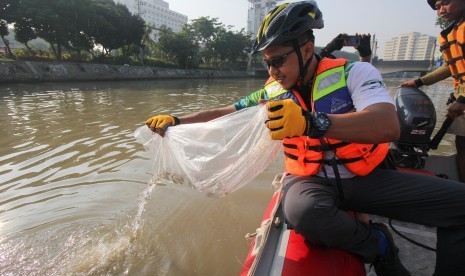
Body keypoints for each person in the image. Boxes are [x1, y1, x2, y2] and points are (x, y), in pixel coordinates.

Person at [146, 1, 465, 275]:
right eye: (267, 62)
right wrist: (177, 120)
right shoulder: (271, 92)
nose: (272, 71)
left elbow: (387, 125)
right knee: (301, 212)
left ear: (307, 49)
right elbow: (225, 111)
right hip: (311, 180)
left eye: (278, 60)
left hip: (367, 176)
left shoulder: (353, 73)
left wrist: (314, 122)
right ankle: (378, 245)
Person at [400, 0, 465, 183]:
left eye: (445, 3)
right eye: (437, 7)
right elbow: (449, 66)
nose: (441, 10)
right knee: (462, 144)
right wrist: (420, 81)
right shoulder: (451, 32)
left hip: (463, 98)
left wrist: (462, 100)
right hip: (461, 97)